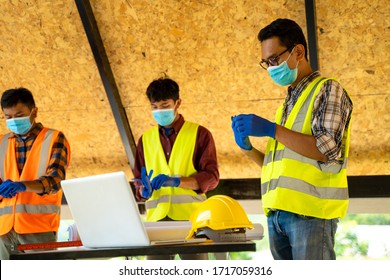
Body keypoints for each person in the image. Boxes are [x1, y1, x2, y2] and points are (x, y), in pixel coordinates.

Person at [231, 18, 353, 260]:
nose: (271, 67)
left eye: (274, 59)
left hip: (311, 215)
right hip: (278, 215)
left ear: (298, 51)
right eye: (266, 62)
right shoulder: (287, 104)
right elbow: (282, 167)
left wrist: (270, 129)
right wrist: (247, 149)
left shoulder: (328, 89)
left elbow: (326, 149)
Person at [133, 77, 219, 260]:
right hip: (157, 223)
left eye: (164, 105)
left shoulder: (200, 134)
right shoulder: (145, 140)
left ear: (178, 103)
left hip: (192, 221)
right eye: (154, 107)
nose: (159, 111)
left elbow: (211, 177)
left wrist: (178, 181)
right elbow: (137, 185)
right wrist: (143, 190)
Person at [0, 87, 70, 259]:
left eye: (19, 115)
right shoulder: (1, 142)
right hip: (3, 231)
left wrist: (23, 186)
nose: (13, 121)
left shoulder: (53, 138)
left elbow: (55, 181)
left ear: (34, 112)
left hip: (39, 230)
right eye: (8, 117)